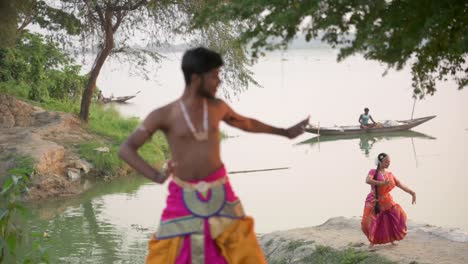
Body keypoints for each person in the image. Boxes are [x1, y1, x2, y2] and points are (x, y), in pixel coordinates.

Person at [118, 47, 310, 263]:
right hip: (182, 195)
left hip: (221, 192)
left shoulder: (218, 107)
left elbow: (247, 123)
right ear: (196, 78)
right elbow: (127, 149)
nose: (219, 82)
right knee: (169, 254)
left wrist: (285, 132)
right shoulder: (164, 114)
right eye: (214, 76)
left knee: (243, 252)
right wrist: (157, 176)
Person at [361, 153, 417, 248]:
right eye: (386, 162)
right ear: (380, 162)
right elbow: (367, 180)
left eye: (389, 162)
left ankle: (392, 238)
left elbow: (399, 184)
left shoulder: (389, 174)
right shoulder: (373, 172)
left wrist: (412, 192)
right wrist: (382, 183)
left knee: (396, 215)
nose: (388, 163)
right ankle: (372, 242)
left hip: (387, 199)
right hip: (374, 200)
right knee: (373, 221)